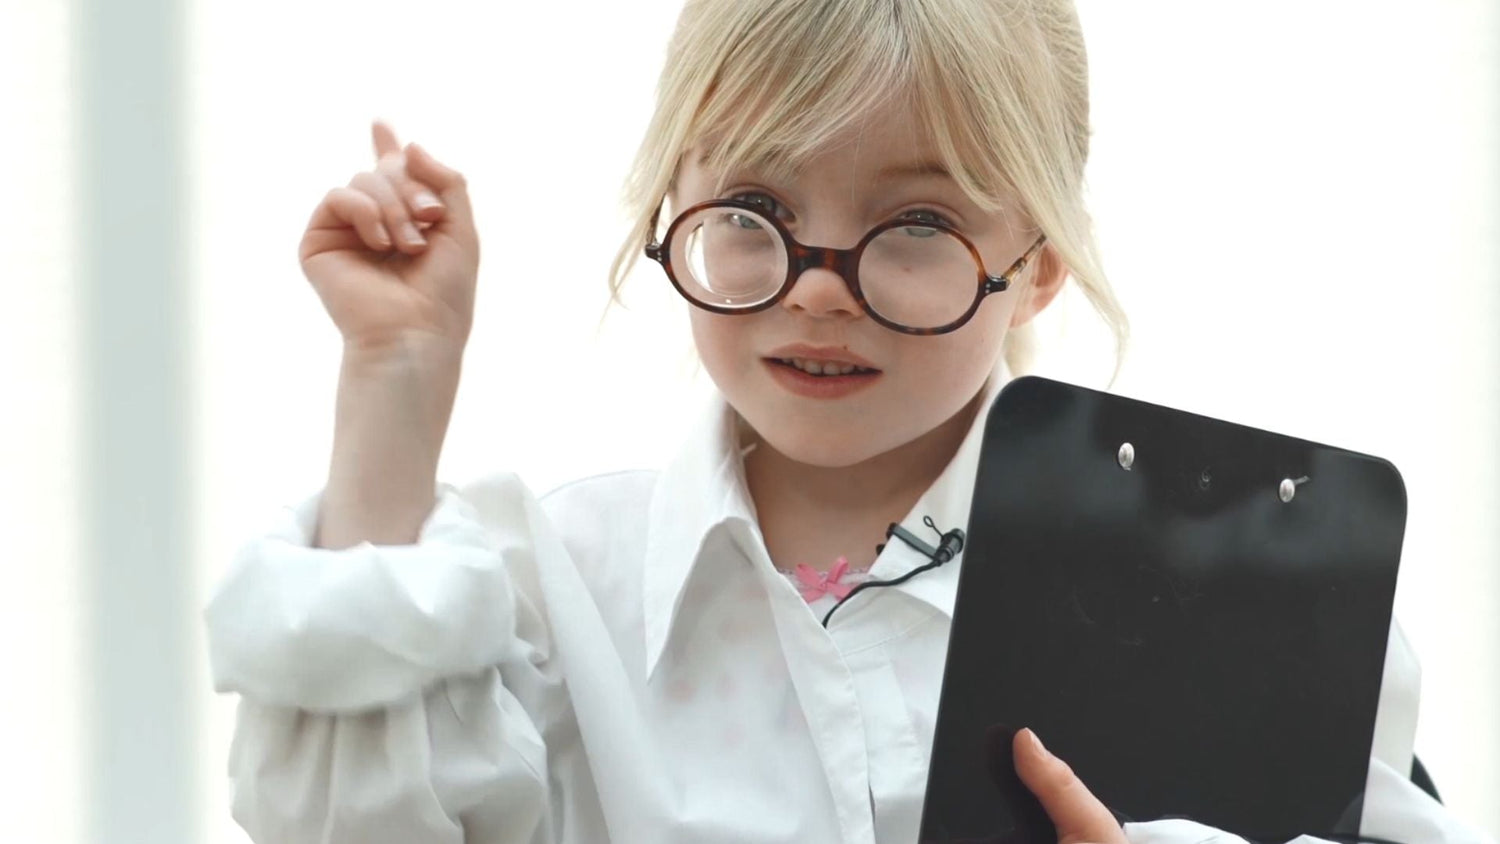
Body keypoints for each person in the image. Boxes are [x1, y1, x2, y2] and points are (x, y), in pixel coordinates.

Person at [203, 1, 1490, 842]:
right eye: (753, 209)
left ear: (1037, 262)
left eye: (918, 225)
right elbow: (343, 822)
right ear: (672, 210)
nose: (817, 287)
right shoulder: (552, 593)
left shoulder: (1242, 595)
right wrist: (397, 375)